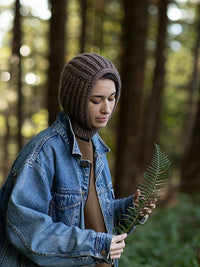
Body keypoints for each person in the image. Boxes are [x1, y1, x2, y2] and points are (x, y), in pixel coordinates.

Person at [0, 53, 156, 267]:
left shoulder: (97, 148)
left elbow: (92, 219)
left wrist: (132, 207)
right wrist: (95, 245)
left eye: (111, 98)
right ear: (76, 100)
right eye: (96, 100)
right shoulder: (45, 151)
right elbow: (25, 227)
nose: (107, 109)